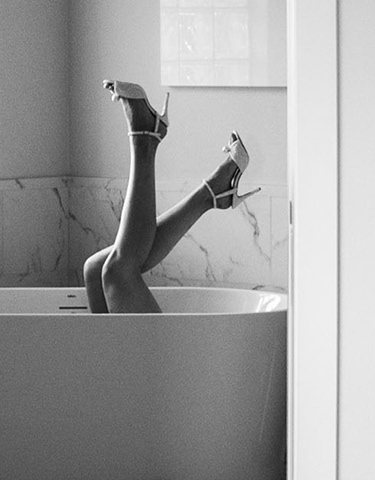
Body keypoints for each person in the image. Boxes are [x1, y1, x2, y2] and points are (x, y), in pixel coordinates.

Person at [83, 80, 257, 314]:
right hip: (150, 341)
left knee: (95, 269)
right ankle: (145, 141)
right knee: (116, 271)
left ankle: (210, 193)